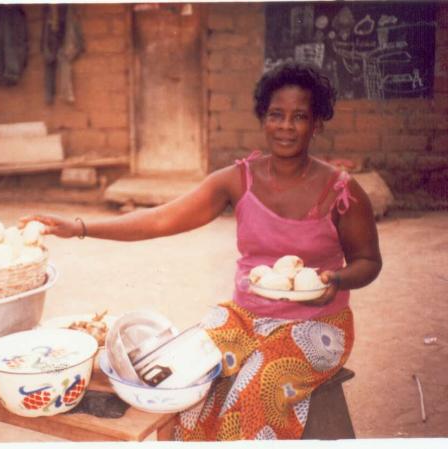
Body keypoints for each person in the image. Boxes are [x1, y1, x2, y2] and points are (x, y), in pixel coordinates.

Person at [19, 61, 382, 440]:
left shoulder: (341, 190)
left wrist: (336, 280)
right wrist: (79, 228)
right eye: (276, 115)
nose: (286, 126)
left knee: (257, 390)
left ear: (317, 123)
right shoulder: (238, 181)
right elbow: (161, 219)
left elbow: (368, 261)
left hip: (318, 326)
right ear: (263, 118)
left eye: (300, 117)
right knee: (182, 380)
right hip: (246, 317)